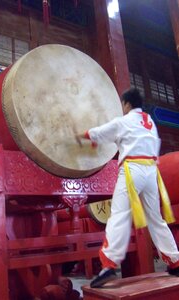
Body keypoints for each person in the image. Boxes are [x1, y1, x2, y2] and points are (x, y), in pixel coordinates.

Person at [77, 88, 179, 288]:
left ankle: (109, 265)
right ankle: (175, 261)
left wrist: (83, 135)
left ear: (126, 104)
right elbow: (127, 138)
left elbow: (101, 132)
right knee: (155, 218)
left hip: (132, 170)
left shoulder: (124, 121)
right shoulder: (149, 123)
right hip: (151, 173)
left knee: (119, 214)